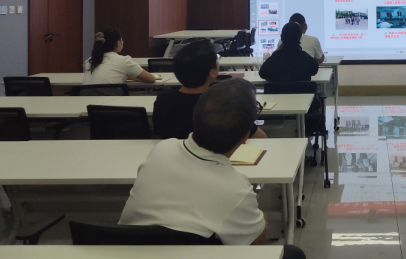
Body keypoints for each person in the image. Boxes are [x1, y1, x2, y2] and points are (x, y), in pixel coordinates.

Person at [119, 80, 305, 259]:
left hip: (128, 252)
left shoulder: (162, 149)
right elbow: (253, 247)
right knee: (292, 253)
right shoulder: (236, 190)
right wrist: (260, 219)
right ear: (245, 138)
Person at [153, 41, 266, 140]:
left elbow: (158, 131)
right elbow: (261, 137)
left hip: (174, 154)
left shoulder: (164, 99)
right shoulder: (223, 103)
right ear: (212, 72)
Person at [83, 28, 156, 86]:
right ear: (118, 43)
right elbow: (151, 79)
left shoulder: (90, 61)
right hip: (111, 99)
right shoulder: (124, 61)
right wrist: (134, 78)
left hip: (86, 99)